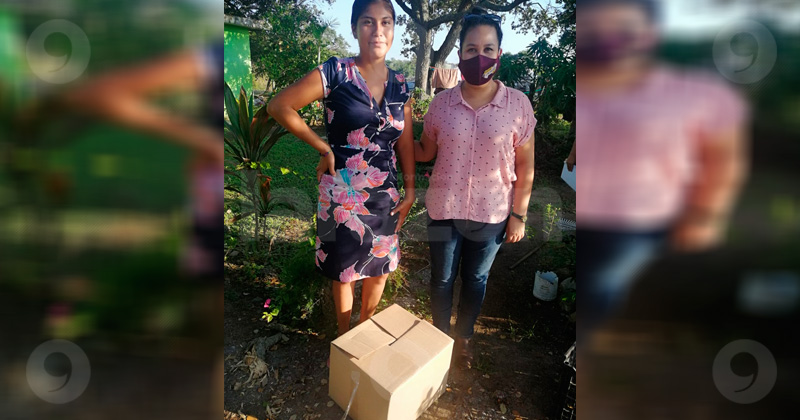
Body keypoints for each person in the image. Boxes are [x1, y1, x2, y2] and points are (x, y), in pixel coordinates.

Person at [574, 0, 749, 343]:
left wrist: (705, 215)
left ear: (650, 34)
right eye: (593, 31)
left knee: (598, 287)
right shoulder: (586, 87)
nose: (606, 41)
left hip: (635, 222)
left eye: (622, 30)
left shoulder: (692, 94)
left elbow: (724, 158)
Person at [267, 0, 415, 339]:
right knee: (344, 272)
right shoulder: (335, 72)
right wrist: (323, 147)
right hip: (341, 194)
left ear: (393, 29)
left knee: (380, 269)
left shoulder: (401, 85)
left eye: (386, 22)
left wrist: (410, 191)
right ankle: (344, 338)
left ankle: (363, 333)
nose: (378, 30)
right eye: (368, 22)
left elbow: (405, 144)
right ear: (354, 28)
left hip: (385, 194)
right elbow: (280, 106)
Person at [414, 7, 536, 370]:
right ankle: (440, 338)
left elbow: (526, 166)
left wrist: (519, 215)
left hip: (492, 212)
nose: (478, 56)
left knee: (475, 279)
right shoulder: (441, 104)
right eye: (471, 49)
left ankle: (464, 339)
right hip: (444, 209)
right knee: (441, 279)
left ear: (499, 54)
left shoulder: (518, 105)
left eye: (487, 49)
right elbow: (425, 152)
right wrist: (397, 129)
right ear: (460, 53)